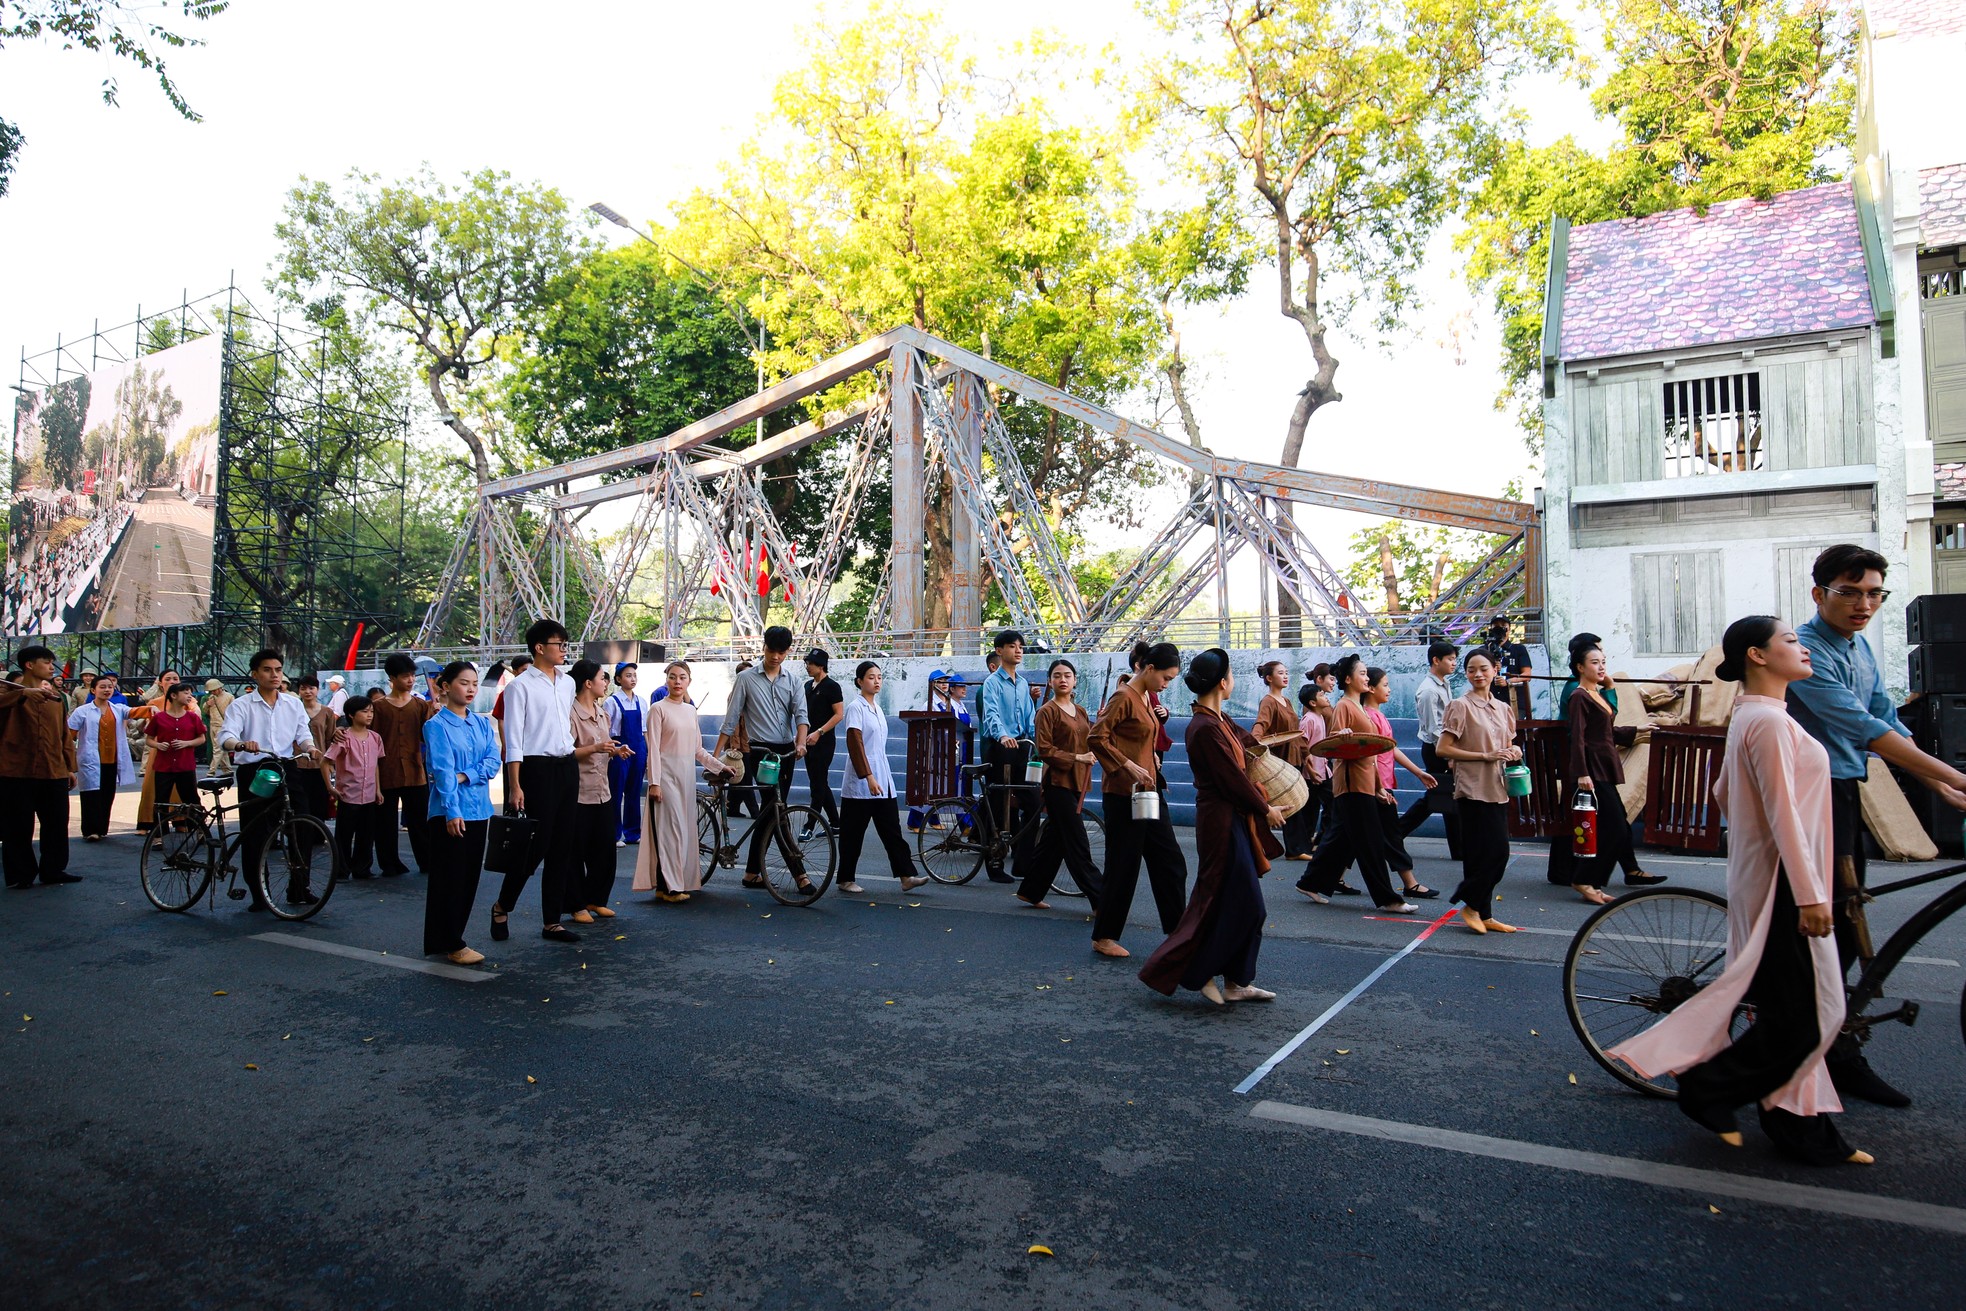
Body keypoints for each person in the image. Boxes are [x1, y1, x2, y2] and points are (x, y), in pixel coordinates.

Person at [1611, 615, 1872, 1166]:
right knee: (1812, 1011)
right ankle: (1713, 1088)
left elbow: (1727, 793)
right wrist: (1809, 894)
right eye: (1792, 642)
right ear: (1757, 655)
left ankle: (1799, 1126)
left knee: (1795, 1009)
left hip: (1770, 876)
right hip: (1786, 883)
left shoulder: (1756, 716)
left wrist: (1758, 850)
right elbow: (1782, 815)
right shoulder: (1769, 723)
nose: (1804, 650)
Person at [1785, 543, 1966, 1109]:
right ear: (1820, 594)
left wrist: (1940, 783)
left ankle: (1834, 1047)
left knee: (1847, 917)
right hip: (1809, 796)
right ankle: (1819, 1055)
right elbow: (1860, 725)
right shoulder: (1803, 650)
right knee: (1824, 928)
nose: (1864, 604)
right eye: (1850, 592)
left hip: (1842, 788)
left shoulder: (1860, 647)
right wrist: (1949, 776)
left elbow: (1886, 714)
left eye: (1874, 593)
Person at [1140, 648, 1283, 1005]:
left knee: (1234, 902)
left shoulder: (1217, 720)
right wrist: (1265, 808)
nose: (1234, 680)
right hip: (1219, 821)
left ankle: (1236, 982)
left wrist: (1292, 741)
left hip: (1231, 818)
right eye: (1232, 675)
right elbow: (1231, 780)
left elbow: (1249, 743)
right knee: (1231, 902)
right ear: (1223, 682)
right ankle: (1194, 971)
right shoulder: (1202, 727)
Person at [1087, 641, 1189, 958]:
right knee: (1123, 866)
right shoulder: (1124, 696)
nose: (1167, 684)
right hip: (1123, 794)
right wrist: (1126, 764)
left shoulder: (1145, 697)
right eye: (1166, 678)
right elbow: (1096, 737)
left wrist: (1149, 762)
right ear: (1148, 669)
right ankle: (1104, 937)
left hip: (1148, 791)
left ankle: (1178, 931)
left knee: (1171, 862)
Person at [1545, 642, 1664, 905]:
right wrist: (1582, 773)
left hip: (1605, 767)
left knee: (1619, 827)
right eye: (1595, 662)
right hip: (1592, 771)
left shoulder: (1596, 694)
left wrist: (1639, 730)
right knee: (1617, 831)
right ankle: (1585, 879)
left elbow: (1606, 732)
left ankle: (1590, 880)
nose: (1601, 667)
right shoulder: (1578, 696)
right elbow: (1577, 738)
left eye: (1604, 662)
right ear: (1580, 667)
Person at [1295, 655, 1413, 912]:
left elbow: (1371, 752)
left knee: (1340, 839)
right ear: (1348, 679)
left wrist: (1379, 788)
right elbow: (1334, 744)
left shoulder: (1359, 707)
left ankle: (1309, 882)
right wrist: (1343, 736)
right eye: (1361, 673)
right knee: (1370, 842)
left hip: (1364, 782)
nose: (1366, 677)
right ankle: (1389, 899)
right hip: (1350, 785)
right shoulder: (1344, 706)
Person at [493, 619, 583, 943]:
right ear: (539, 648)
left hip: (566, 766)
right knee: (534, 846)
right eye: (559, 644)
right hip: (536, 768)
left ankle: (552, 922)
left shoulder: (569, 683)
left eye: (565, 644)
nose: (563, 649)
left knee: (563, 845)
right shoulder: (520, 686)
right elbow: (514, 739)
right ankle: (503, 905)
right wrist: (515, 785)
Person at [219, 649, 322, 910]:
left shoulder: (293, 702)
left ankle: (299, 887)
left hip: (287, 766)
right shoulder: (241, 705)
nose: (274, 674)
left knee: (303, 825)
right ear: (255, 674)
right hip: (256, 770)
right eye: (267, 669)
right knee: (256, 832)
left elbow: (302, 733)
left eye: (278, 669)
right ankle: (259, 892)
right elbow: (225, 737)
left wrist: (310, 748)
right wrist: (241, 744)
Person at [715, 628, 813, 892]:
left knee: (771, 811)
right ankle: (800, 875)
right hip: (760, 752)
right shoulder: (746, 679)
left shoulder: (793, 681)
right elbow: (731, 718)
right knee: (777, 810)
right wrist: (714, 756)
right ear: (764, 647)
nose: (776, 657)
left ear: (788, 651)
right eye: (772, 651)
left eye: (781, 652)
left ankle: (750, 873)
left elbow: (801, 716)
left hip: (787, 751)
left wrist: (801, 742)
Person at [1434, 650, 1521, 935]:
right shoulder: (1460, 706)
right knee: (1493, 853)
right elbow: (1443, 749)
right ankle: (1470, 903)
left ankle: (1483, 913)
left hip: (1498, 786)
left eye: (1483, 668)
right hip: (1472, 787)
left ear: (1495, 670)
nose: (1478, 674)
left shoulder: (1503, 709)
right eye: (1471, 670)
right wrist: (1484, 755)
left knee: (1490, 853)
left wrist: (1515, 751)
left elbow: (1507, 746)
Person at [634, 661, 735, 903]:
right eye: (672, 677)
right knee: (670, 832)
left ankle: (664, 884)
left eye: (682, 677)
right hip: (665, 777)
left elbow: (698, 750)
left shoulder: (690, 710)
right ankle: (671, 888)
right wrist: (654, 783)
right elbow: (654, 749)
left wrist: (720, 767)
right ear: (666, 681)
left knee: (683, 831)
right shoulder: (657, 709)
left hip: (686, 778)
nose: (677, 682)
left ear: (689, 681)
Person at [422, 661, 502, 965]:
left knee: (468, 878)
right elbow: (442, 773)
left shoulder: (481, 724)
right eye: (463, 683)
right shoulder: (437, 726)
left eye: (474, 683)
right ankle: (451, 941)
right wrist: (452, 811)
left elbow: (493, 763)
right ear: (445, 687)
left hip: (479, 810)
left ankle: (450, 938)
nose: (470, 689)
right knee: (449, 879)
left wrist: (465, 775)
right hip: (448, 812)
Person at [835, 661, 930, 896]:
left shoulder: (876, 708)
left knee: (892, 830)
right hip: (861, 782)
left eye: (879, 677)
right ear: (859, 681)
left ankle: (906, 876)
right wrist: (867, 776)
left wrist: (878, 778)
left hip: (882, 779)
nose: (876, 681)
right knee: (852, 834)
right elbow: (855, 743)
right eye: (870, 677)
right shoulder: (856, 708)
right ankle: (845, 879)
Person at [1016, 659, 1100, 909]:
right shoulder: (1047, 711)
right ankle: (1102, 899)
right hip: (1057, 783)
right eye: (1057, 676)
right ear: (1050, 681)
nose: (1062, 680)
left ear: (1075, 680)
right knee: (1077, 842)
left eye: (1067, 675)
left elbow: (1090, 739)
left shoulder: (1081, 711)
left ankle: (1031, 891)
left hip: (1078, 781)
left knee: (1055, 842)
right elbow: (1044, 750)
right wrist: (1078, 757)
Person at [1, 646, 78, 888]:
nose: (51, 667)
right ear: (29, 665)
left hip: (53, 769)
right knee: (17, 825)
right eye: (46, 662)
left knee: (56, 823)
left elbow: (64, 736)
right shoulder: (9, 692)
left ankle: (53, 870)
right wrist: (23, 695)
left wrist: (69, 767)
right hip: (16, 770)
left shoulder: (55, 698)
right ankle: (20, 874)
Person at [1364, 667, 1439, 901]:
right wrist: (1378, 787)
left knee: (1347, 836)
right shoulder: (1367, 716)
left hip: (1381, 783)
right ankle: (1410, 883)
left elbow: (1390, 748)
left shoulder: (1379, 715)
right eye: (1385, 685)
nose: (1389, 689)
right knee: (1391, 835)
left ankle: (1317, 879)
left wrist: (1418, 773)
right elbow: (1372, 755)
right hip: (1375, 785)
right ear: (1370, 688)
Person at [569, 660, 632, 924]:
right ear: (588, 683)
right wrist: (596, 749)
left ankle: (596, 898)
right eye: (602, 678)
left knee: (605, 848)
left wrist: (616, 751)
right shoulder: (569, 713)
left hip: (602, 790)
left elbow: (603, 747)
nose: (605, 683)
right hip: (579, 792)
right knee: (576, 850)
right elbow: (565, 752)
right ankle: (575, 904)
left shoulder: (600, 711)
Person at [980, 630, 1039, 884]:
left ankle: (1023, 862)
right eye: (1012, 646)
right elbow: (991, 715)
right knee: (998, 806)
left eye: (1021, 647)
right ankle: (994, 864)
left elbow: (1029, 717)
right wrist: (1003, 735)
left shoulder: (1023, 684)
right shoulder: (991, 683)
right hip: (999, 747)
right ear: (1000, 650)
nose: (1018, 650)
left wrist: (1037, 740)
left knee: (1033, 802)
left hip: (1021, 748)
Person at [372, 653, 436, 877]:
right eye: (405, 676)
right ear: (392, 678)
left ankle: (427, 861)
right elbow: (372, 739)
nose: (410, 680)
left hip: (414, 770)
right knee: (385, 822)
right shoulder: (378, 707)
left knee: (420, 820)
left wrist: (434, 718)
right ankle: (389, 864)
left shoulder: (420, 705)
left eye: (412, 675)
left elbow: (427, 736)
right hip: (385, 771)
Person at [1399, 640, 1463, 859]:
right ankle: (1396, 832)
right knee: (1437, 795)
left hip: (1442, 747)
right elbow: (1433, 728)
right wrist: (1448, 754)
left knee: (1445, 795)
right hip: (1436, 749)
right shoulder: (1428, 691)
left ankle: (1458, 847)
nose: (1454, 663)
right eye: (1450, 659)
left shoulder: (1442, 684)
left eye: (1455, 659)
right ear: (1436, 660)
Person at [1254, 659, 1316, 859]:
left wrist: (1306, 755)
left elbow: (1295, 732)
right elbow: (1260, 724)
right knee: (1290, 803)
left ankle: (1298, 847)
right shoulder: (1268, 701)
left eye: (1286, 672)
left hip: (1294, 755)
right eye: (1281, 673)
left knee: (1295, 801)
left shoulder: (1287, 701)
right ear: (1269, 678)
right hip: (1279, 760)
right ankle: (1295, 849)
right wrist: (1254, 743)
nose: (1286, 676)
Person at [323, 693, 386, 879]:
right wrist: (330, 787)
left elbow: (375, 765)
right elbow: (325, 762)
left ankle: (362, 868)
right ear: (351, 715)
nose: (369, 715)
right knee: (344, 835)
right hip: (348, 794)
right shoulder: (344, 737)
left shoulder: (375, 738)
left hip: (368, 794)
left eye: (371, 711)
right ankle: (341, 870)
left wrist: (378, 789)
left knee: (366, 835)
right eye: (364, 711)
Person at [68, 674, 134, 842]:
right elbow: (69, 735)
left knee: (107, 794)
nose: (107, 690)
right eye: (102, 687)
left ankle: (102, 828)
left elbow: (135, 711)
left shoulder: (118, 709)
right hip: (91, 760)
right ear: (93, 690)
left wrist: (151, 709)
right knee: (91, 795)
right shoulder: (82, 711)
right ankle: (91, 830)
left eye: (110, 687)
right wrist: (68, 760)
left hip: (111, 760)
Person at [143, 681, 206, 850]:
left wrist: (187, 743)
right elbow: (148, 739)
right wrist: (158, 745)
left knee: (192, 799)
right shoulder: (159, 718)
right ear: (173, 695)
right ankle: (158, 836)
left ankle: (200, 831)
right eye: (185, 692)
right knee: (161, 801)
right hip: (164, 766)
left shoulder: (192, 717)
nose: (189, 696)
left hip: (185, 765)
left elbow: (202, 738)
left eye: (190, 692)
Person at [130, 669, 180, 835]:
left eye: (175, 678)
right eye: (168, 679)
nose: (172, 681)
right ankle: (148, 822)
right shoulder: (154, 702)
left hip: (182, 748)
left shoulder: (189, 701)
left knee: (181, 787)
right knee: (152, 786)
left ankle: (182, 820)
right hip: (158, 748)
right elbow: (145, 727)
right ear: (160, 682)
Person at [606, 663, 650, 846]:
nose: (632, 679)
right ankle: (614, 833)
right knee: (615, 791)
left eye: (634, 675)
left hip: (638, 748)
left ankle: (633, 832)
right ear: (618, 679)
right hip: (619, 749)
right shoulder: (612, 701)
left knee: (634, 791)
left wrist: (647, 753)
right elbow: (606, 730)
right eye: (628, 675)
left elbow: (645, 730)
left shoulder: (642, 701)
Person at [292, 674, 338, 853]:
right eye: (303, 688)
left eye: (311, 688)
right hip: (297, 763)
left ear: (317, 690)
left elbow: (330, 738)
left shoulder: (326, 712)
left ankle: (318, 835)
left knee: (319, 801)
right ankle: (301, 835)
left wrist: (331, 762)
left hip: (320, 763)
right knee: (300, 802)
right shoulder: (294, 709)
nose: (307, 691)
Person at [802, 649, 844, 832]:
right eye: (807, 663)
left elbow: (839, 715)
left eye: (811, 663)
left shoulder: (832, 687)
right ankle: (836, 823)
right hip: (807, 740)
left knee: (817, 785)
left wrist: (819, 732)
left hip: (824, 741)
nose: (807, 667)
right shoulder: (807, 686)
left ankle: (810, 825)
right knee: (819, 781)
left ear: (821, 665)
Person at [1476, 614, 1535, 717]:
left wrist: (1508, 681)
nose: (1500, 628)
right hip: (1488, 702)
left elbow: (1527, 675)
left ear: (1509, 628)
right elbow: (1475, 673)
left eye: (1503, 625)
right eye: (1496, 626)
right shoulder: (1483, 650)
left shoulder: (1518, 649)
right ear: (1491, 629)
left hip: (1514, 702)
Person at [1296, 683, 1332, 848]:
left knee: (1325, 805)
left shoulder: (1320, 717)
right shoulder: (1308, 719)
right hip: (1313, 773)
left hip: (1322, 770)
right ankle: (1309, 841)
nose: (1326, 697)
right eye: (1322, 695)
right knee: (1311, 809)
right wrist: (1310, 769)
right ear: (1312, 703)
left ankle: (1316, 840)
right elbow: (1303, 746)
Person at [203, 678, 234, 773]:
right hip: (213, 725)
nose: (213, 692)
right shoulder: (211, 698)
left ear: (219, 688)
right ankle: (227, 770)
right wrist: (207, 704)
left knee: (218, 749)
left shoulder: (229, 697)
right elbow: (205, 711)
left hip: (223, 726)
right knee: (221, 750)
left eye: (214, 690)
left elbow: (234, 711)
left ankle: (211, 771)